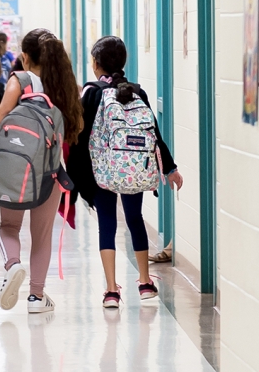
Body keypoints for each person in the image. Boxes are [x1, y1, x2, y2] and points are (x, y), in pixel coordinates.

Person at [67, 36, 183, 307]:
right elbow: (154, 132)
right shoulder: (137, 91)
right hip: (134, 170)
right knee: (135, 219)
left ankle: (111, 291)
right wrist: (170, 168)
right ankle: (144, 282)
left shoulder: (92, 92)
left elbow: (80, 138)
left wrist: (73, 178)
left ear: (96, 63)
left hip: (103, 171)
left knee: (106, 224)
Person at [0, 29, 84, 314]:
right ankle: (36, 296)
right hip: (50, 171)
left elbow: (0, 117)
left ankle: (13, 265)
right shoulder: (64, 84)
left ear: (24, 56)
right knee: (42, 234)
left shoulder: (20, 80)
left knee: (8, 226)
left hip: (14, 169)